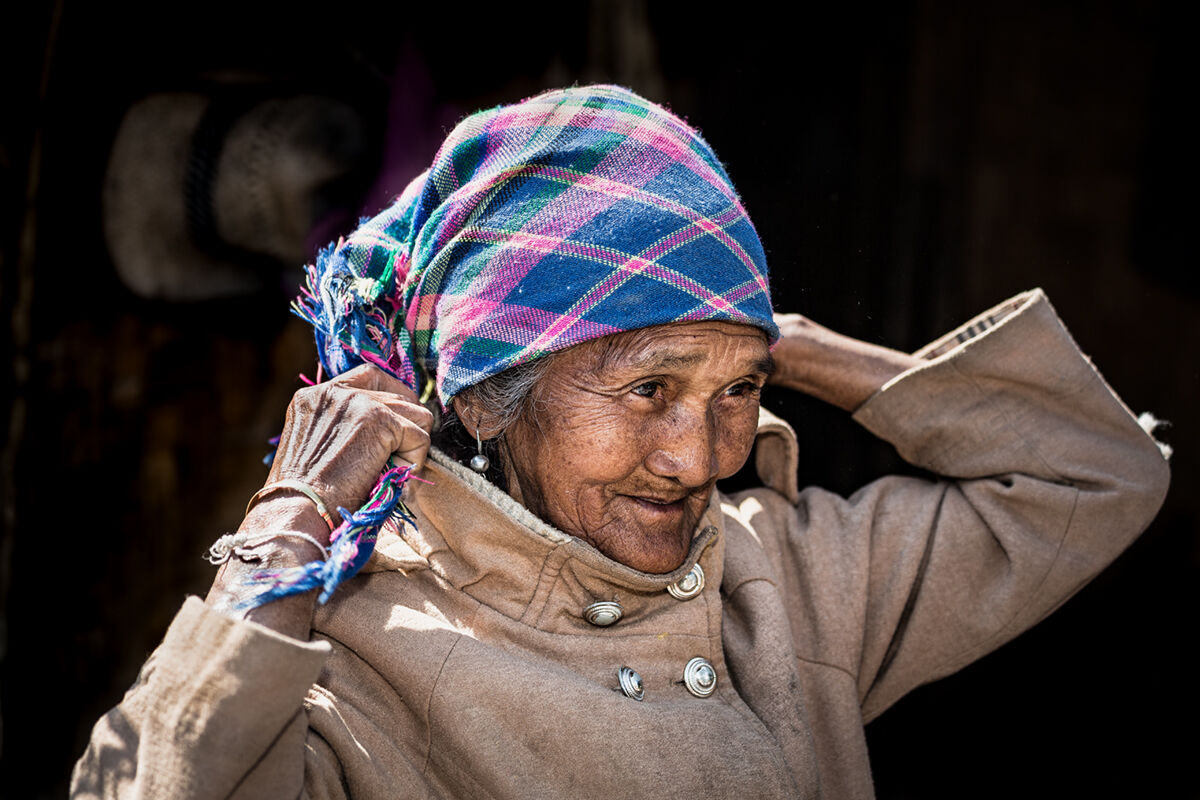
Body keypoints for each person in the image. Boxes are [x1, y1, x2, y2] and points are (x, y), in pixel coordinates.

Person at [72, 85, 1170, 799]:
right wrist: (284, 526)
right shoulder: (361, 657)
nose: (700, 457)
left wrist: (797, 344)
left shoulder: (788, 580)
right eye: (647, 387)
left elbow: (1096, 475)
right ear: (495, 397)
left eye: (737, 393)